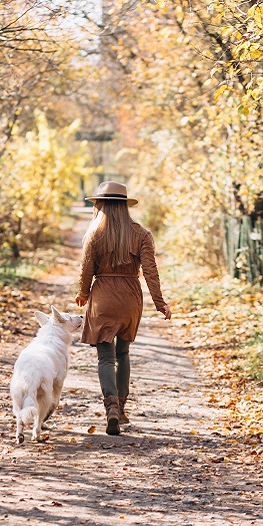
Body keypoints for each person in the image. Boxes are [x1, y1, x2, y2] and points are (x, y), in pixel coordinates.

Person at [75, 181, 171, 435]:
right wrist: (160, 303)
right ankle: (122, 407)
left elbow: (86, 270)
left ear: (102, 205)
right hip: (130, 297)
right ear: (124, 206)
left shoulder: (95, 233)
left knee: (105, 357)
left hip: (103, 296)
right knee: (123, 354)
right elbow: (151, 272)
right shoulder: (141, 234)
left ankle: (111, 409)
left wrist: (83, 293)